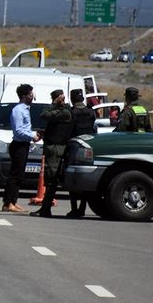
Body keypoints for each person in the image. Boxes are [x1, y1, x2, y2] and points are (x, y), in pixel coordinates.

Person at [30, 89, 73, 218]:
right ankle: (45, 208)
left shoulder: (65, 111)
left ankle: (46, 209)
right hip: (54, 147)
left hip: (56, 148)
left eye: (54, 98)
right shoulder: (61, 111)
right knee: (50, 179)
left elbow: (44, 115)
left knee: (51, 180)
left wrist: (55, 103)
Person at [3, 84, 41, 213]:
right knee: (14, 175)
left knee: (19, 176)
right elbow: (19, 130)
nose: (33, 97)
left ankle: (13, 201)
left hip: (24, 145)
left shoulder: (26, 109)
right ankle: (7, 203)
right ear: (24, 96)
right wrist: (32, 136)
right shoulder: (18, 110)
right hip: (18, 145)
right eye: (31, 94)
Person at [66, 89, 96, 218]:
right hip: (88, 147)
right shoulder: (90, 111)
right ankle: (82, 208)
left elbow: (68, 130)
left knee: (72, 179)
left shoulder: (71, 112)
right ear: (82, 98)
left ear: (72, 99)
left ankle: (74, 208)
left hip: (74, 146)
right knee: (85, 181)